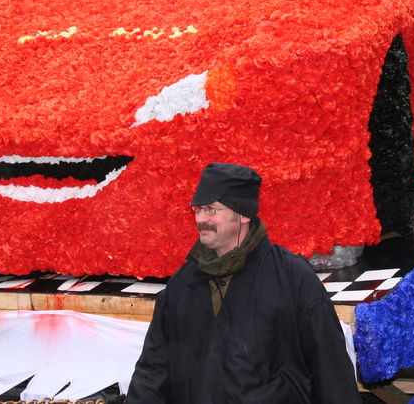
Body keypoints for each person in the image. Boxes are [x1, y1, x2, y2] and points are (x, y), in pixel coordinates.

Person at [127, 163, 360, 403]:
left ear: (244, 214)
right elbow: (153, 368)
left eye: (212, 210)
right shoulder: (183, 283)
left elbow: (330, 367)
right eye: (198, 209)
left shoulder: (291, 277)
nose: (200, 219)